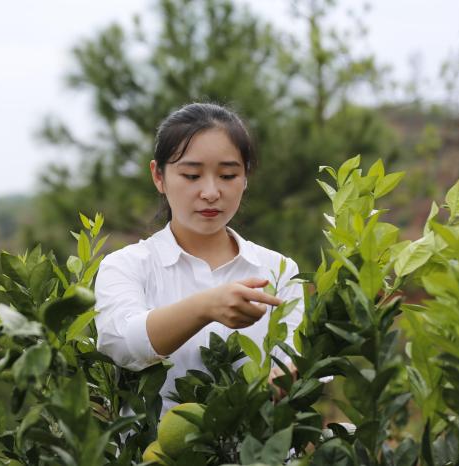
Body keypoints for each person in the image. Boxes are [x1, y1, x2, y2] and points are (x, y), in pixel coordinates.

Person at [94, 102, 303, 415]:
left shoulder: (278, 270)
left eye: (228, 175)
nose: (210, 192)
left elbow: (295, 364)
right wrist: (206, 306)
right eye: (192, 175)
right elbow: (123, 345)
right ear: (158, 176)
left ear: (245, 177)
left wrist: (288, 377)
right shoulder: (127, 266)